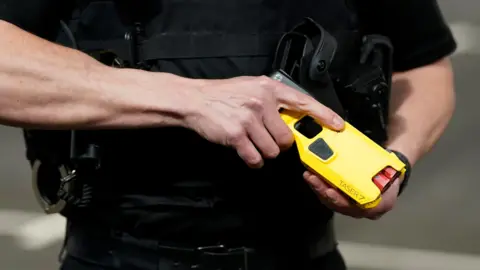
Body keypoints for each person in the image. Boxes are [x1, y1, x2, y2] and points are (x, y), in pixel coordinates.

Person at [0, 0, 456, 269]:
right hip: (118, 255)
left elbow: (425, 67)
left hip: (304, 256)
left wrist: (396, 159)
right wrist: (189, 99)